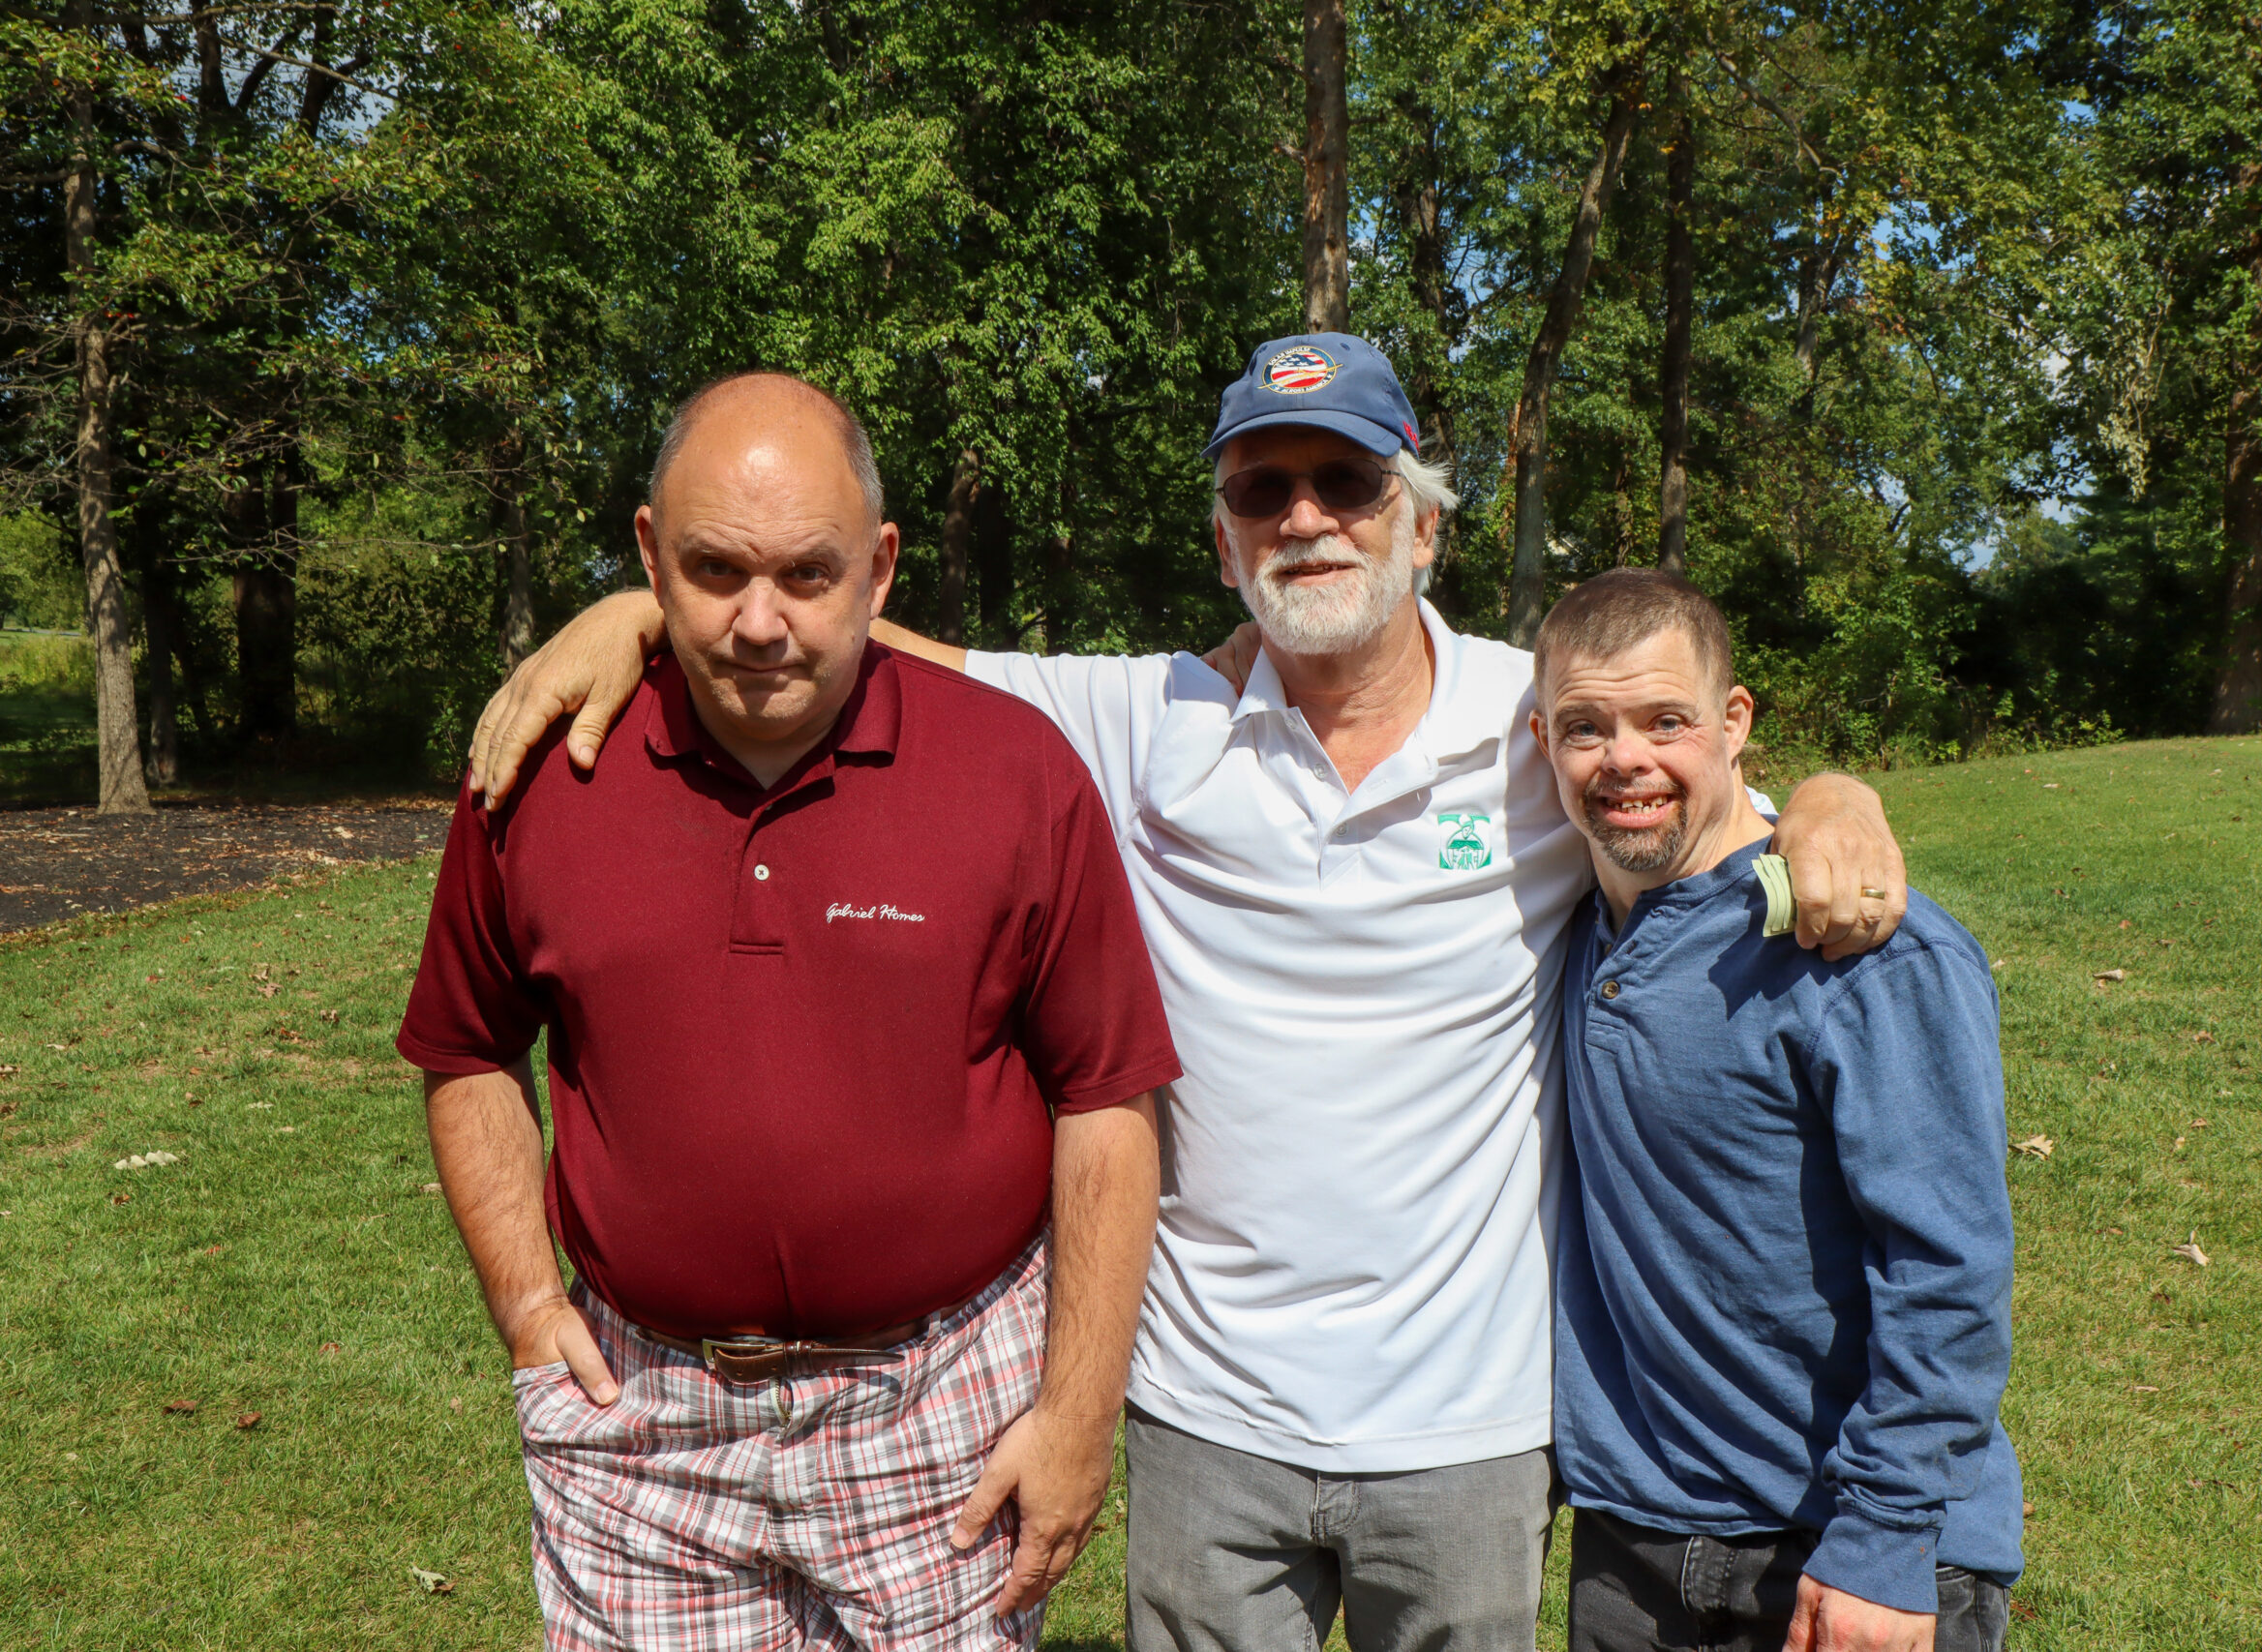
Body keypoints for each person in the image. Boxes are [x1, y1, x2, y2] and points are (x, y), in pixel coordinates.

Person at [467, 336, 1913, 1652]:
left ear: (1423, 518)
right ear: (1225, 546)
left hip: (1472, 1420)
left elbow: (1686, 792)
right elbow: (845, 629)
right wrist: (635, 613)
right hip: (1205, 1414)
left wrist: (1834, 802)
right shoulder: (1143, 717)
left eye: (1345, 479)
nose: (1304, 516)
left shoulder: (1529, 722)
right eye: (1261, 488)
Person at [397, 374, 1181, 1651]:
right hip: (641, 1417)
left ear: (879, 567)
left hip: (940, 1409)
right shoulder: (540, 772)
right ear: (648, 554)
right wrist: (532, 1312)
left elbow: (1107, 1096)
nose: (760, 621)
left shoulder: (1015, 771)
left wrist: (1078, 1415)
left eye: (807, 576)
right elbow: (467, 1048)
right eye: (713, 569)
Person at [1532, 568, 2019, 1652]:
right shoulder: (1565, 920)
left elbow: (1949, 1269)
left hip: (1847, 1546)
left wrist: (1885, 1540)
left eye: (1667, 720)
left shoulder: (1863, 950)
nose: (1625, 760)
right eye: (1585, 728)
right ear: (1540, 741)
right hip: (1635, 1533)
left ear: (1735, 720)